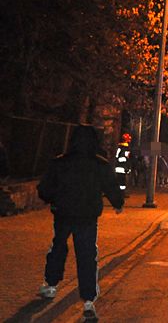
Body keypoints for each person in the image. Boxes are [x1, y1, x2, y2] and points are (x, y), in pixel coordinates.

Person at [36, 125, 124, 321]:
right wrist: (118, 203)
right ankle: (88, 300)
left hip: (64, 213)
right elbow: (111, 186)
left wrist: (52, 198)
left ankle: (50, 285)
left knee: (58, 247)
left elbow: (45, 188)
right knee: (87, 255)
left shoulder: (60, 162)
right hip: (87, 216)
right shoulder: (99, 164)